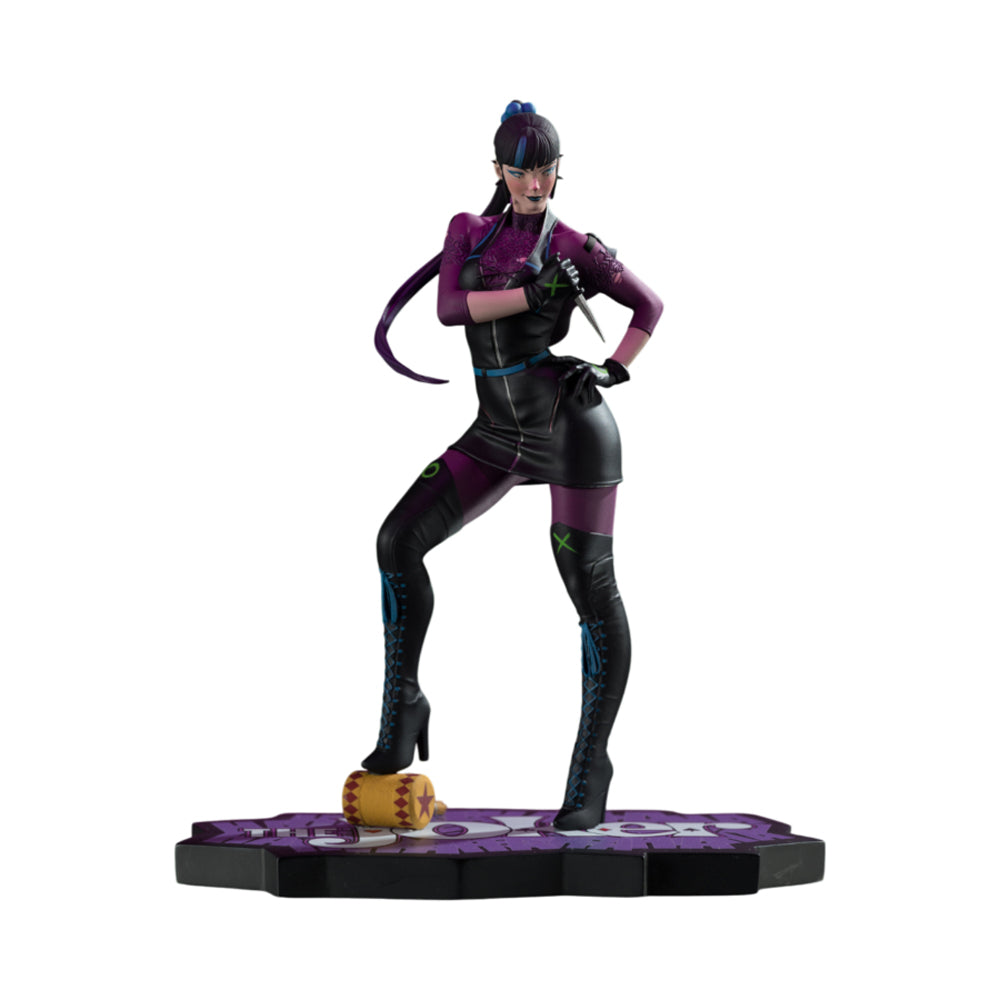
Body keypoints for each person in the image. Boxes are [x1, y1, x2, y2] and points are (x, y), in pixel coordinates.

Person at [365, 101, 662, 830]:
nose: (534, 183)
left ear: (559, 170)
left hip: (572, 429)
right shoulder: (468, 229)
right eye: (521, 170)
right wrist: (535, 293)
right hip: (495, 433)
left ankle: (592, 764)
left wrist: (614, 369)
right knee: (397, 542)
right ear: (497, 169)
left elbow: (649, 307)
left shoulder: (578, 247)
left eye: (546, 170)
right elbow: (449, 309)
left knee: (591, 592)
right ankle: (404, 704)